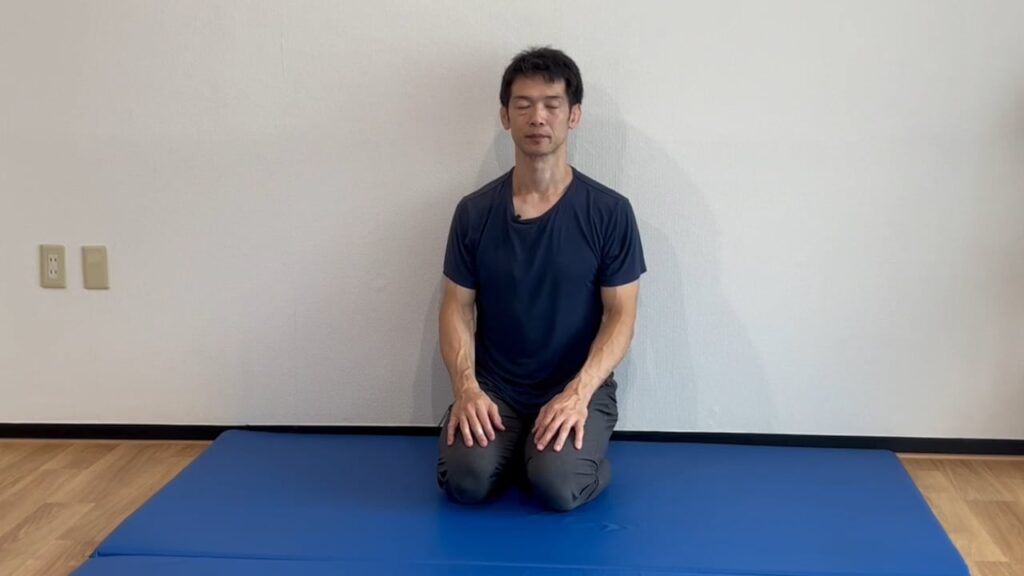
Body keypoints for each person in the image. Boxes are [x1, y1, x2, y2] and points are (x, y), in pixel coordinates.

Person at [436, 47, 646, 512]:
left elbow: (621, 315)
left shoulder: (610, 212)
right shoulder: (474, 212)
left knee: (557, 487)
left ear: (574, 115)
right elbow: (457, 307)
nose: (537, 117)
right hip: (497, 387)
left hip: (575, 384)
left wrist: (578, 393)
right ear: (505, 116)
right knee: (465, 482)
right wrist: (467, 389)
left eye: (552, 104)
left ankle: (553, 459)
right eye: (523, 104)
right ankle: (517, 450)